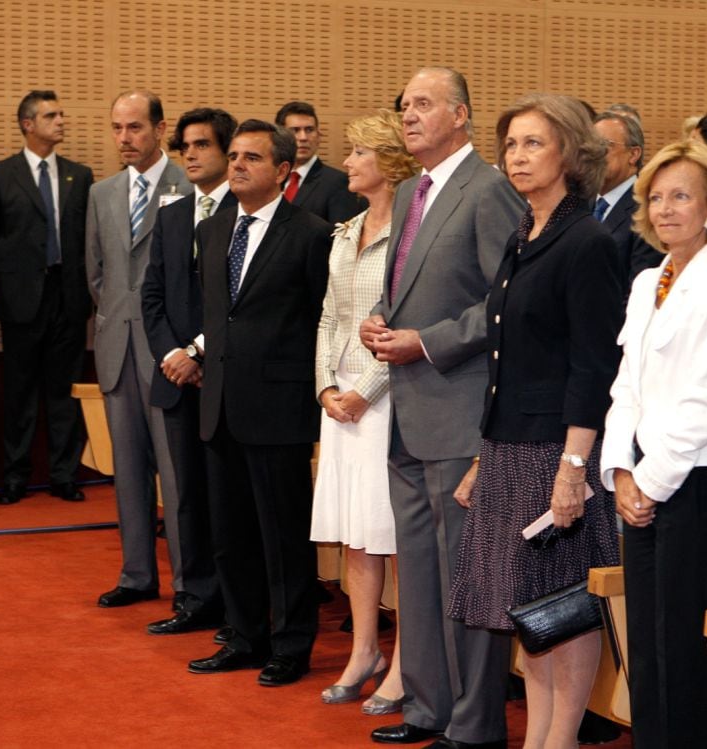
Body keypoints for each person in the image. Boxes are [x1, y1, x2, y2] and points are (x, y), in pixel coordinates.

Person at [447, 93, 623, 749]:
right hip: (508, 444)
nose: (516, 157)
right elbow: (508, 357)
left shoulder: (588, 242)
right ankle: (542, 739)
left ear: (571, 154)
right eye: (511, 144)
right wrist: (481, 456)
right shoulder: (525, 235)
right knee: (529, 608)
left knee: (563, 605)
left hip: (557, 448)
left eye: (533, 144)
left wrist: (573, 469)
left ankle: (560, 739)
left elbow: (592, 364)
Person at [359, 66, 525, 748]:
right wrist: (377, 317)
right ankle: (426, 707)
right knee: (420, 576)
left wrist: (424, 341)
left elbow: (505, 302)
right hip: (407, 413)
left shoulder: (490, 189)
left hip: (460, 413)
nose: (410, 114)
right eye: (404, 105)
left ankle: (474, 723)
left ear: (461, 114)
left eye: (424, 104)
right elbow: (402, 284)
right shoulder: (409, 189)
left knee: (465, 579)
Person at [599, 139, 707, 749]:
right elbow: (625, 384)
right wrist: (619, 472)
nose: (664, 209)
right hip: (642, 484)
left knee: (680, 642)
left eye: (680, 196)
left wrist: (649, 482)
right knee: (647, 643)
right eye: (655, 198)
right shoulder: (645, 281)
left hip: (692, 484)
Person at [188, 120, 331, 688]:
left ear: (282, 171)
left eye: (252, 157)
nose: (238, 164)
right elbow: (217, 318)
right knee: (231, 535)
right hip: (220, 402)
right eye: (236, 155)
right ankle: (245, 637)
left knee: (283, 538)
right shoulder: (213, 228)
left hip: (280, 406)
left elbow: (324, 318)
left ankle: (291, 645)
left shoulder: (312, 233)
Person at [312, 110, 418, 713]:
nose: (346, 162)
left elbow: (409, 320)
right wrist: (327, 385)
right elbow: (329, 314)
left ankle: (403, 662)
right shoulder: (345, 229)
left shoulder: (411, 231)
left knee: (394, 535)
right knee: (357, 537)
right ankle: (363, 652)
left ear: (388, 161)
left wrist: (365, 392)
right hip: (341, 399)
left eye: (357, 152)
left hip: (389, 395)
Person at [86, 90, 192, 608]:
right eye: (117, 128)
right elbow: (97, 272)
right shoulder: (102, 193)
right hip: (116, 347)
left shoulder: (187, 185)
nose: (124, 138)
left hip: (167, 352)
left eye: (134, 128)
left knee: (175, 474)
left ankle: (189, 584)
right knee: (127, 471)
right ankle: (135, 575)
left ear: (158, 128)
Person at [140, 107, 238, 636]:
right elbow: (150, 295)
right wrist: (170, 356)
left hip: (222, 376)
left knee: (226, 497)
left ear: (226, 152)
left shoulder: (243, 214)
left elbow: (237, 302)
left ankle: (235, 604)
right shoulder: (173, 214)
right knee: (186, 498)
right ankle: (196, 597)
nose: (191, 155)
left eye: (202, 145)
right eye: (185, 147)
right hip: (175, 377)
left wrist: (197, 354)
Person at [0, 90, 94, 506]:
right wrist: (13, 279)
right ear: (28, 124)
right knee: (20, 393)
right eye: (51, 115)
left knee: (65, 392)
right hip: (21, 300)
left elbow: (86, 241)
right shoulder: (0, 175)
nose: (61, 121)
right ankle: (16, 476)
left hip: (69, 299)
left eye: (61, 114)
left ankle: (63, 474)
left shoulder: (80, 175)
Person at [592, 111, 662, 294]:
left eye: (603, 145)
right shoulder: (582, 204)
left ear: (633, 154)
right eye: (590, 146)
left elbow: (639, 292)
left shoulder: (647, 209)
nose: (594, 154)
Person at [275, 101, 362, 224]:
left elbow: (342, 236)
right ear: (280, 137)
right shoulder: (272, 178)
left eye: (309, 130)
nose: (303, 137)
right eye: (295, 130)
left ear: (319, 135)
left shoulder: (337, 182)